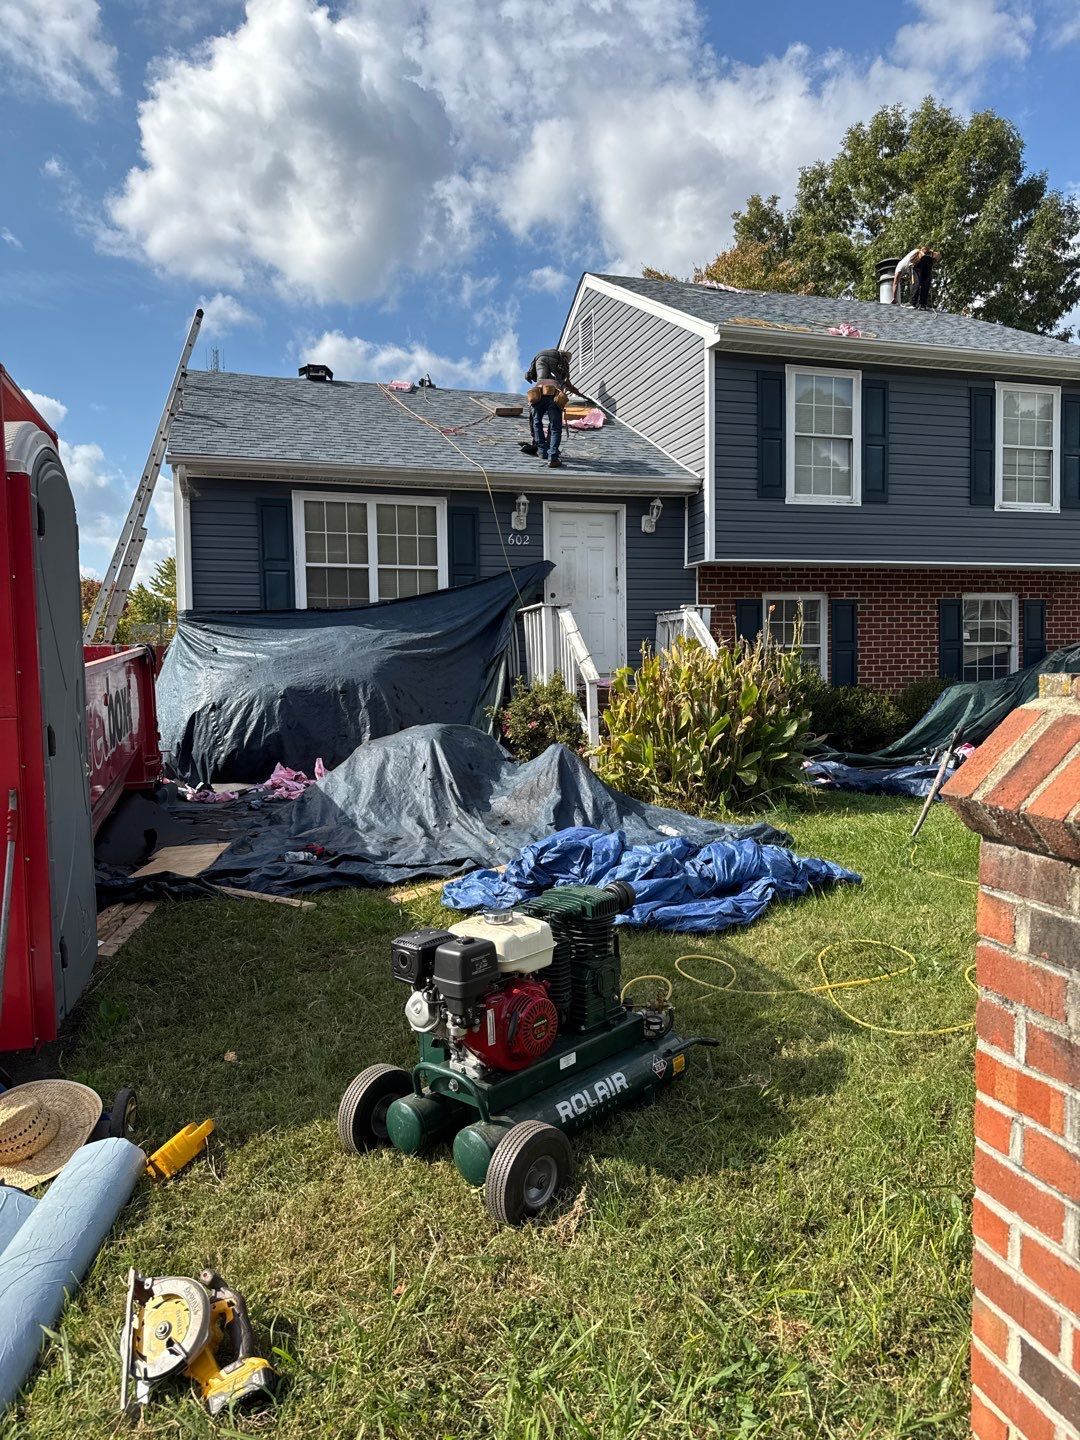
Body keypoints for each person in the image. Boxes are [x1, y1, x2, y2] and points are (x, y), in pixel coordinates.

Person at [522, 348, 581, 468]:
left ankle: (542, 450)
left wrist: (532, 375)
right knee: (555, 427)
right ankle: (552, 457)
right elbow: (566, 383)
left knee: (536, 421)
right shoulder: (563, 363)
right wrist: (576, 392)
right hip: (554, 395)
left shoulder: (539, 355)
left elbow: (529, 376)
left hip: (539, 394)